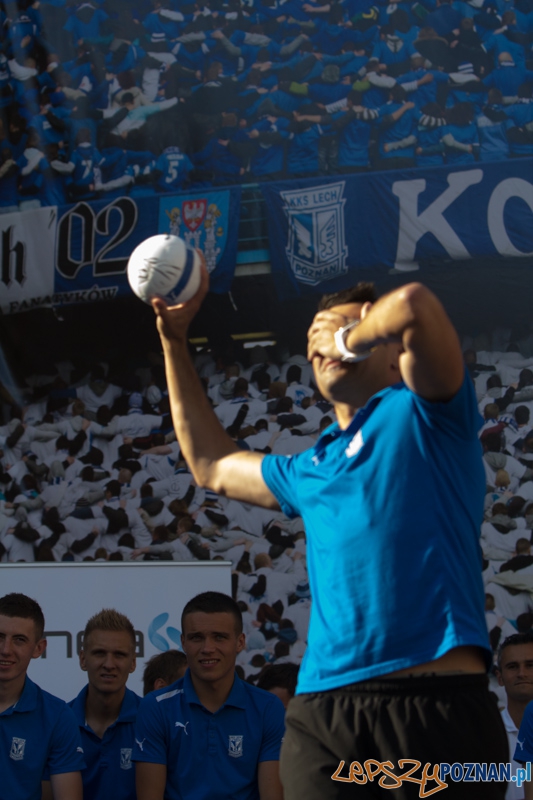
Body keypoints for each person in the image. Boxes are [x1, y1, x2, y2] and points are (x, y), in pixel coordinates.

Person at [150, 256, 508, 798]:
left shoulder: (428, 416)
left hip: (438, 709)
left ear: (392, 351)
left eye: (354, 331)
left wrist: (346, 336)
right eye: (318, 339)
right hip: (323, 713)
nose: (330, 345)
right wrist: (173, 341)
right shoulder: (309, 468)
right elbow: (210, 464)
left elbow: (414, 306)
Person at [133, 591, 285, 800]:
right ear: (183, 642)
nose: (207, 648)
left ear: (240, 642)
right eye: (197, 638)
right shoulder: (156, 707)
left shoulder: (268, 708)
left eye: (219, 637)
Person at [0, 592, 85, 800]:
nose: (5, 650)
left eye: (19, 640)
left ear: (39, 648)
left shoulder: (57, 716)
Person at [68, 609, 141, 800]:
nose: (109, 664)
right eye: (100, 653)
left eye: (119, 655)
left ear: (133, 663)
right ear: (83, 659)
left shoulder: (152, 719)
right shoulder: (59, 721)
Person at [497, 633, 533, 799]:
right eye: (512, 666)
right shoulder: (484, 735)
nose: (522, 673)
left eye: (530, 665)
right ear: (499, 677)